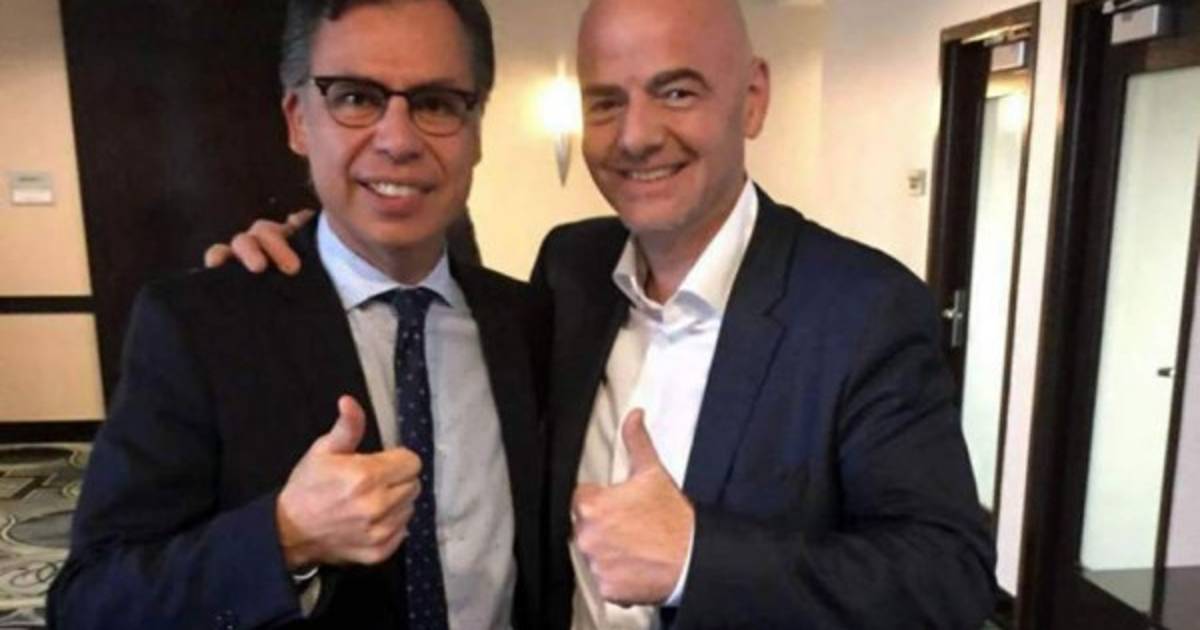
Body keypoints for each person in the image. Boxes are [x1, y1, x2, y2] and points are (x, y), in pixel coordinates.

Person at [212, 0, 997, 627]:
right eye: (605, 102)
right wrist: (314, 246)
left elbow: (950, 581)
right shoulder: (571, 271)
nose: (636, 136)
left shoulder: (862, 308)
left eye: (677, 91)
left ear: (752, 98)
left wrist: (697, 558)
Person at [48, 1, 543, 628]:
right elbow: (88, 603)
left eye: (437, 103)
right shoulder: (199, 327)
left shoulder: (531, 322)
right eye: (356, 98)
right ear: (298, 120)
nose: (397, 140)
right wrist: (283, 537)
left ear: (476, 129)